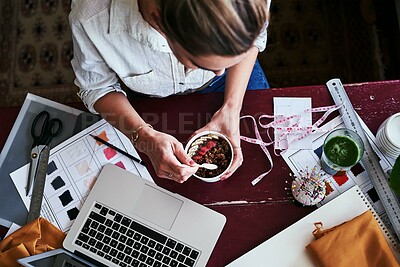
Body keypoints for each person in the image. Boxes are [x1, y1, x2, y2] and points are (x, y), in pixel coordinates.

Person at [69, 0, 271, 183]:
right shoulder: (91, 18)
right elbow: (97, 87)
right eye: (197, 61)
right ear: (158, 23)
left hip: (237, 77)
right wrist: (143, 136)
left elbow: (254, 38)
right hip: (146, 99)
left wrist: (232, 107)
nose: (219, 72)